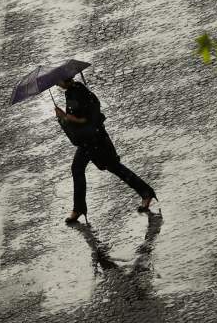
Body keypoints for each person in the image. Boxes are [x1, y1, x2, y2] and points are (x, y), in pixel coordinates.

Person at [54, 77, 156, 224]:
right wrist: (66, 116)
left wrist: (65, 116)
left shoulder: (77, 92)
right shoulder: (72, 91)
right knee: (78, 168)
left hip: (94, 140)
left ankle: (146, 192)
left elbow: (84, 119)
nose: (57, 83)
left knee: (114, 167)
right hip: (87, 141)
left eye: (59, 81)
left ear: (66, 79)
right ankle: (79, 208)